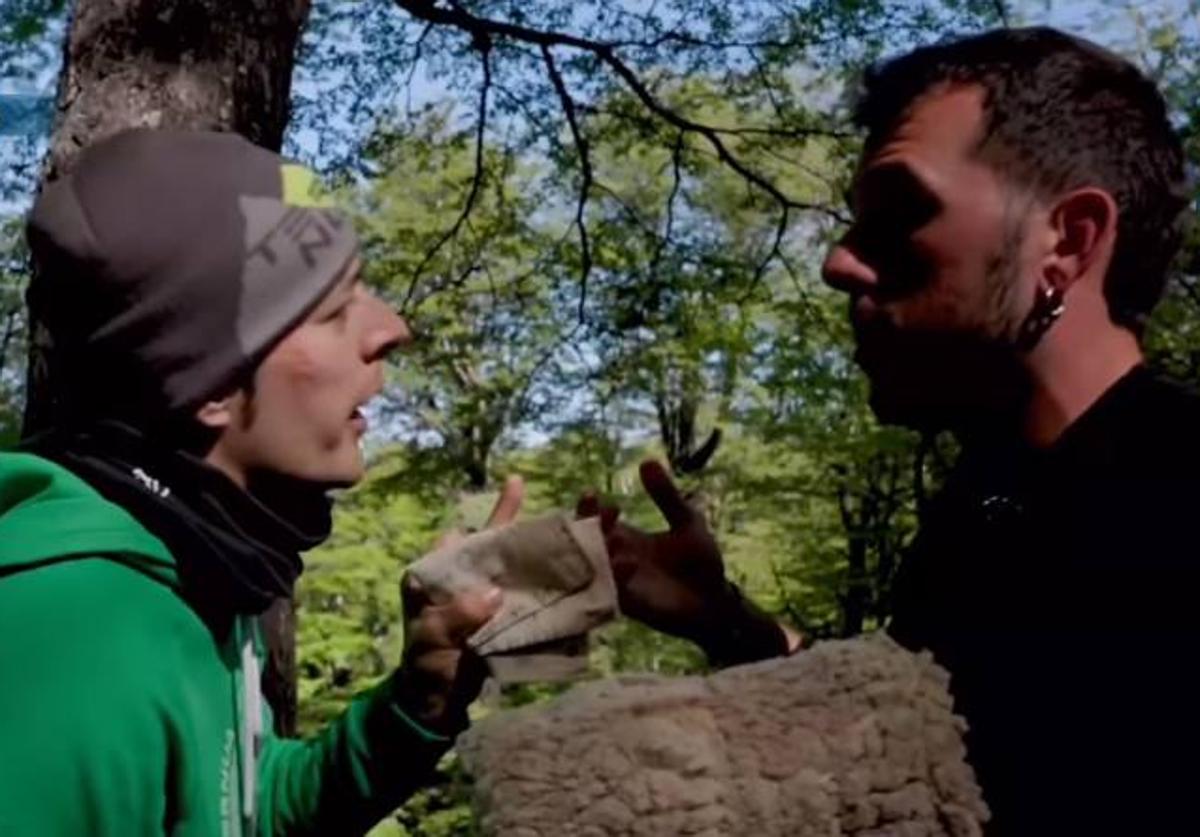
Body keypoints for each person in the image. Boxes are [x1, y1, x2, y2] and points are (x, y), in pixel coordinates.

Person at [587, 27, 1197, 834]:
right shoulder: (978, 514)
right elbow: (912, 763)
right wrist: (721, 616)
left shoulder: (1178, 496)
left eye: (900, 214)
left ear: (1069, 240)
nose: (838, 264)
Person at [0, 128, 521, 836]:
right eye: (333, 311)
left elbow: (243, 808)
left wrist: (419, 698)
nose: (392, 327)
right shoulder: (77, 642)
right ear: (209, 384)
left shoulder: (189, 567)